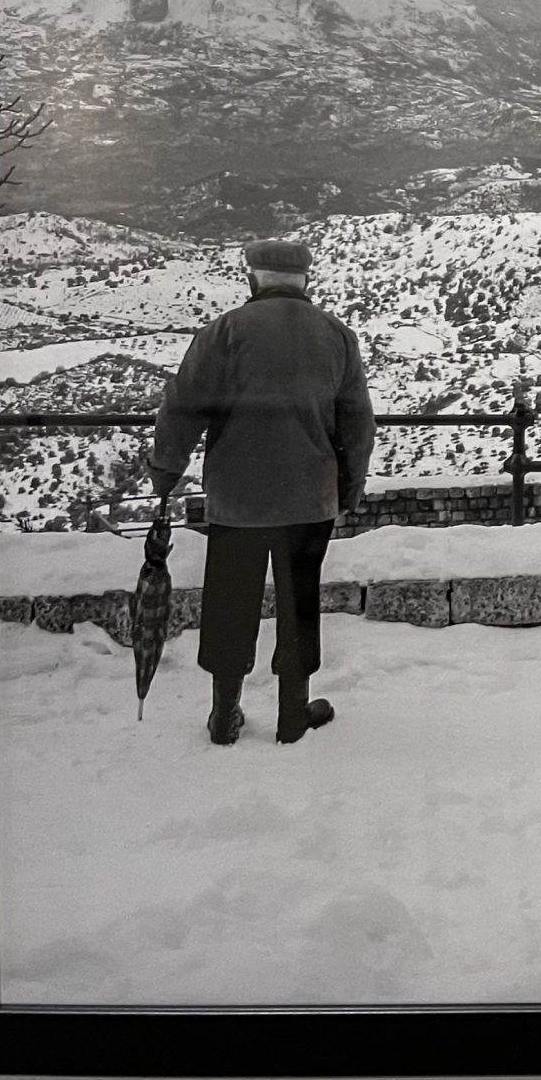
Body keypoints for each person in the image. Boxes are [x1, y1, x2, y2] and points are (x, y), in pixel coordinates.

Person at [151, 239, 375, 747]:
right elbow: (358, 422)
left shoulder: (223, 332)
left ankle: (224, 714)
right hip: (309, 499)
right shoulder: (337, 335)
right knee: (299, 604)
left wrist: (165, 474)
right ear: (305, 280)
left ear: (252, 278)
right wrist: (351, 486)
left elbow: (182, 409)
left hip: (237, 500)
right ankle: (293, 714)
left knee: (230, 602)